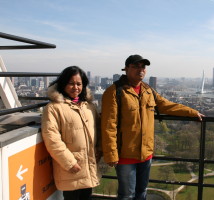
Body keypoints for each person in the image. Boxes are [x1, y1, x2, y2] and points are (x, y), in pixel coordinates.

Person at [101, 54, 204, 200]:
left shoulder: (148, 90)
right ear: (126, 69)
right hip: (125, 155)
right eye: (135, 66)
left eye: (143, 67)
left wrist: (192, 113)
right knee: (126, 195)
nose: (140, 70)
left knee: (142, 192)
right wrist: (111, 154)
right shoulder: (114, 92)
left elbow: (166, 105)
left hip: (146, 154)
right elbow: (108, 125)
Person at [41, 66, 101, 200]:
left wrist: (99, 149)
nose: (75, 87)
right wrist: (69, 162)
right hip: (71, 168)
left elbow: (98, 129)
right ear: (63, 84)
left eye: (79, 84)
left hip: (88, 166)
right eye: (71, 83)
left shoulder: (89, 106)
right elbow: (52, 139)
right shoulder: (53, 108)